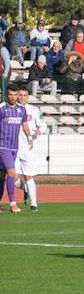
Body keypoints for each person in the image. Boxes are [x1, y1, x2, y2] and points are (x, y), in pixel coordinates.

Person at [0, 84, 33, 213]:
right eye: (10, 94)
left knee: (3, 176)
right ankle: (13, 204)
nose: (13, 97)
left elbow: (24, 125)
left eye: (15, 95)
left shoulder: (21, 110)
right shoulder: (2, 108)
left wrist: (30, 138)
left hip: (14, 147)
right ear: (6, 95)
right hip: (2, 146)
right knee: (12, 173)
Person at [15, 86, 46, 211]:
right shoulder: (11, 109)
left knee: (29, 176)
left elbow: (43, 125)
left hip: (28, 148)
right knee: (12, 177)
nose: (22, 97)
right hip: (13, 148)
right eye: (20, 95)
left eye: (24, 95)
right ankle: (25, 188)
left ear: (28, 96)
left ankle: (34, 204)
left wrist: (37, 133)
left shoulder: (34, 110)